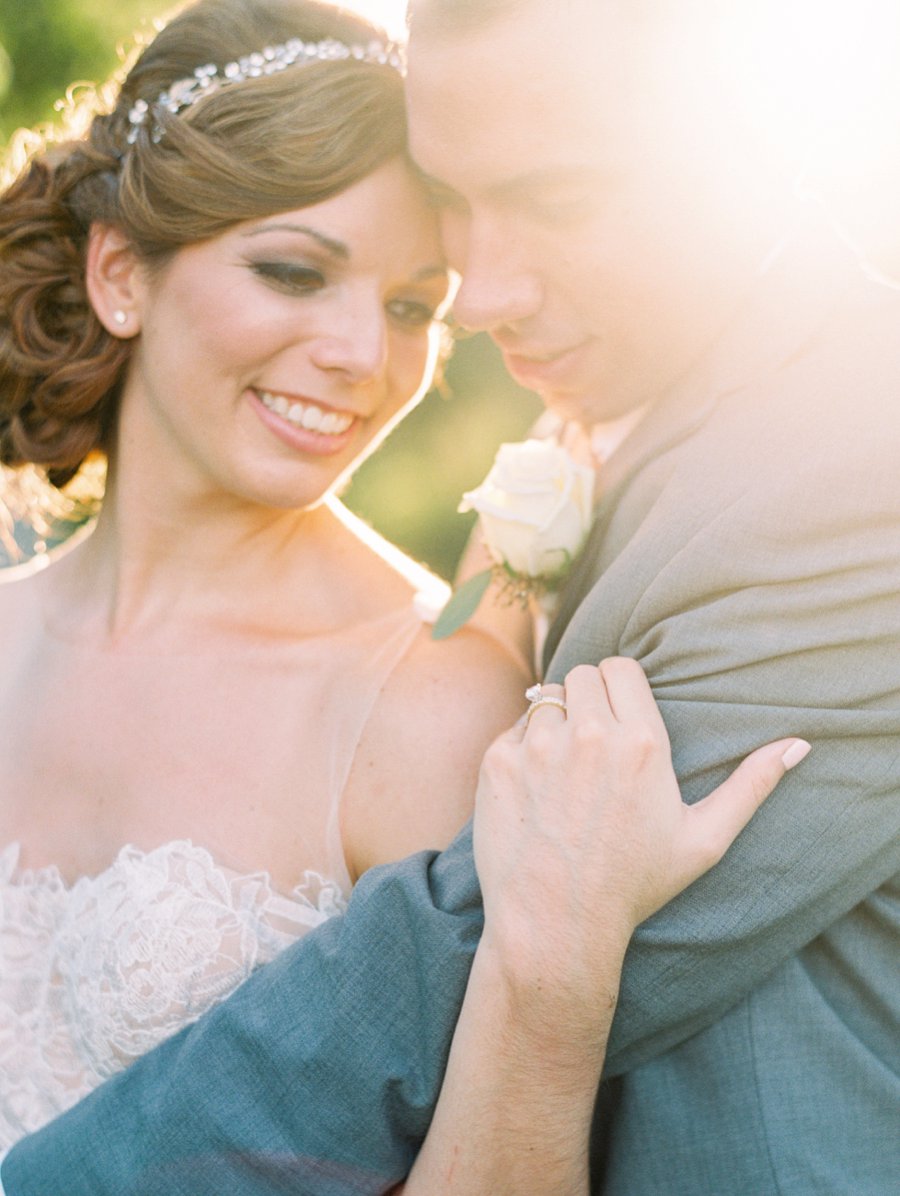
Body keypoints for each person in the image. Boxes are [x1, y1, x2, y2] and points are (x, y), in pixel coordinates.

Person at [4, 0, 897, 1192]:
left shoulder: (845, 462)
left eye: (411, 302)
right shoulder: (625, 459)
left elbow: (480, 978)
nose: (404, 341)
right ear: (119, 270)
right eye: (290, 270)